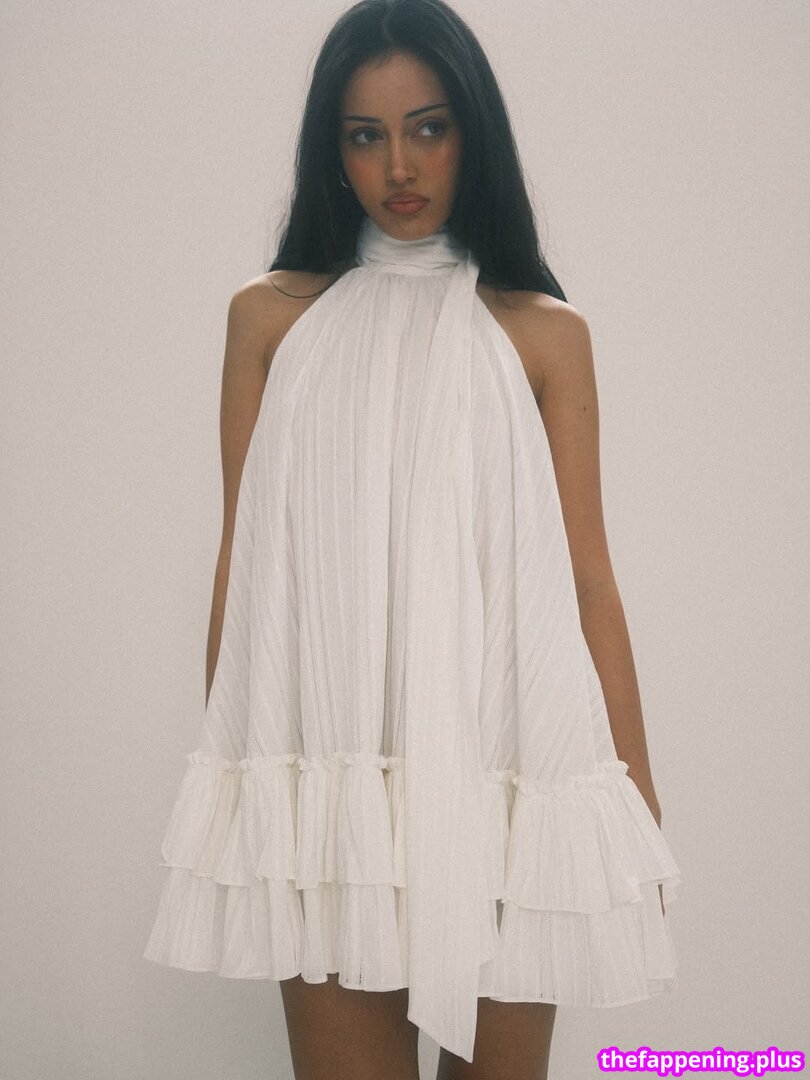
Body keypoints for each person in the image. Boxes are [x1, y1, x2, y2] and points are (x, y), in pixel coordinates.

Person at [142, 2, 681, 1078]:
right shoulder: (271, 322)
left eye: (429, 128)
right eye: (366, 134)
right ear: (330, 148)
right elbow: (247, 568)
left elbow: (586, 579)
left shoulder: (544, 333)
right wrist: (245, 780)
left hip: (510, 776)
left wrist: (635, 797)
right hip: (334, 786)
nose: (399, 165)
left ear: (474, 133)